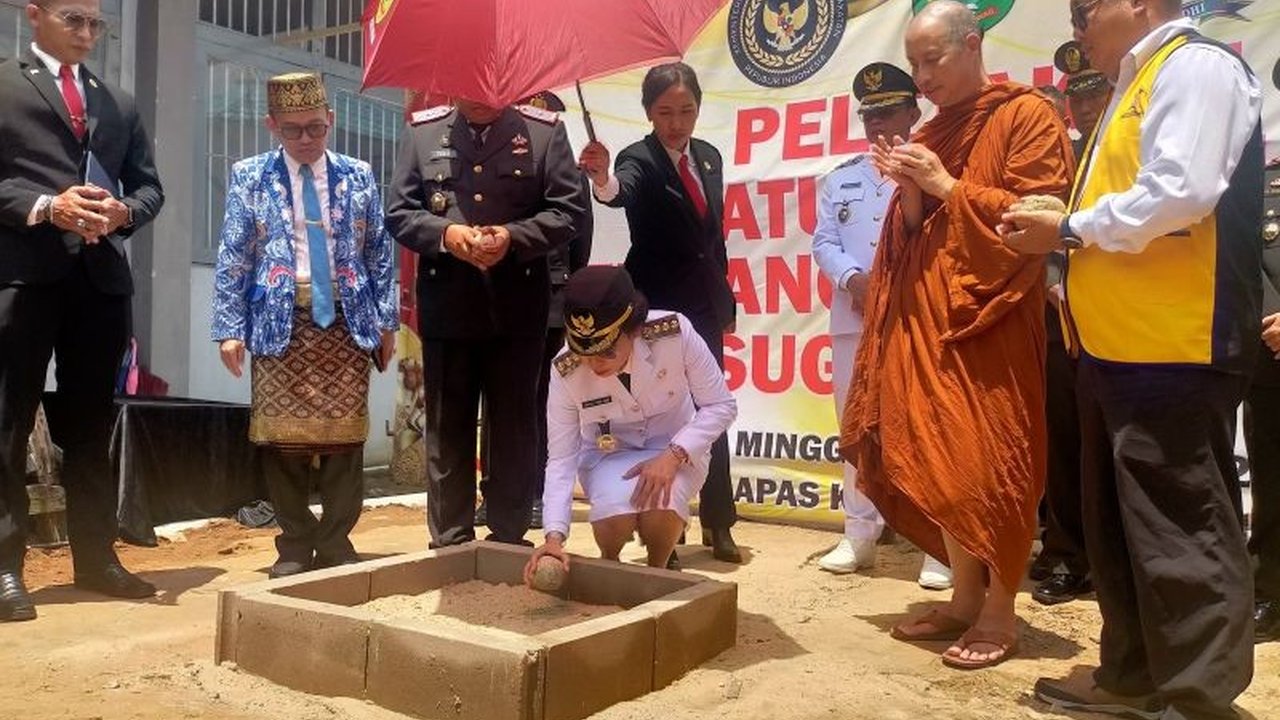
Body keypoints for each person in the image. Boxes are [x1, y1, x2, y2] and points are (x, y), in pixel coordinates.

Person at [1002, 0, 1263, 715]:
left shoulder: (1196, 67)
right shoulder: (1134, 83)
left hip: (1174, 346)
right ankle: (1133, 676)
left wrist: (1068, 227)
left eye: (1084, 11)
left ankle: (1198, 699)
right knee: (1121, 528)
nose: (1076, 29)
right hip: (1114, 346)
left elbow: (1181, 193)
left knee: (1182, 526)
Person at [840, 1, 1072, 669]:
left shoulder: (1027, 116)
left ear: (973, 45)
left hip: (991, 317)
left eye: (931, 60)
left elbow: (1036, 219)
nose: (922, 78)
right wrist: (912, 192)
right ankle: (965, 597)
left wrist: (945, 184)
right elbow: (915, 238)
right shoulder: (934, 131)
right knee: (939, 464)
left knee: (990, 465)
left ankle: (1001, 609)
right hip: (929, 322)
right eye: (914, 64)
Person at [0, 0, 165, 621]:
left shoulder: (117, 102)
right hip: (23, 277)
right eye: (74, 19)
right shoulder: (4, 85)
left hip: (99, 284)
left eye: (97, 23)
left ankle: (97, 558)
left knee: (91, 428)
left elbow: (149, 187)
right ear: (34, 14)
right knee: (8, 422)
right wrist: (47, 206)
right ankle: (5, 567)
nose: (88, 33)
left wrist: (126, 212)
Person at [211, 72, 397, 579]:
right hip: (278, 322)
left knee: (345, 442)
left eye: (316, 127)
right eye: (293, 130)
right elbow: (233, 254)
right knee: (282, 442)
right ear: (272, 125)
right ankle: (294, 544)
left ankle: (335, 543)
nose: (306, 139)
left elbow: (380, 253)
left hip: (346, 321)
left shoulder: (358, 174)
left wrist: (387, 323)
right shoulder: (250, 175)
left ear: (330, 120)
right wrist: (229, 328)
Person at [386, 96, 585, 548]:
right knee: (447, 426)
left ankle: (508, 533)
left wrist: (513, 237)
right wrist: (446, 234)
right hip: (448, 305)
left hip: (517, 306)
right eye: (467, 90)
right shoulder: (422, 132)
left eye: (488, 91)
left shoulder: (544, 133)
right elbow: (399, 212)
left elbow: (569, 211)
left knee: (514, 425)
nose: (478, 100)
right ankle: (450, 536)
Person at [577, 62, 742, 565]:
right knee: (657, 414)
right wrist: (602, 178)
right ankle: (662, 524)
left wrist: (725, 302)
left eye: (686, 111)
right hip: (656, 308)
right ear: (649, 112)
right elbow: (619, 191)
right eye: (666, 112)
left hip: (705, 305)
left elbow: (712, 240)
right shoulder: (639, 158)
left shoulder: (709, 157)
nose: (677, 123)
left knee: (710, 410)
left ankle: (718, 520)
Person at [811, 61, 951, 590]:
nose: (878, 123)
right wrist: (854, 280)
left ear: (914, 112)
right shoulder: (840, 177)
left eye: (889, 111)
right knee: (856, 427)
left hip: (916, 316)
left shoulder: (931, 169)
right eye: (869, 114)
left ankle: (938, 545)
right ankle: (859, 534)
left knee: (925, 425)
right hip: (855, 318)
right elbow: (824, 241)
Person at [523, 266, 736, 578]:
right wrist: (554, 536)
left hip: (674, 447)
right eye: (585, 352)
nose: (594, 363)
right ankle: (611, 565)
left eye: (607, 351)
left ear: (634, 330)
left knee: (662, 504)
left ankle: (657, 571)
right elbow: (562, 458)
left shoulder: (674, 333)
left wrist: (673, 455)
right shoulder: (565, 369)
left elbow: (721, 405)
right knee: (614, 514)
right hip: (609, 455)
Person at [475, 91, 594, 532]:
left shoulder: (569, 173)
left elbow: (580, 244)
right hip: (500, 297)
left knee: (542, 404)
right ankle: (494, 492)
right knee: (497, 403)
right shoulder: (493, 167)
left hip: (551, 302)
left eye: (541, 115)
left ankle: (537, 493)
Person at [1027, 40, 1105, 606]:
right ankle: (1065, 554)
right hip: (1059, 317)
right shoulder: (1061, 156)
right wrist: (1052, 279)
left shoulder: (1134, 147)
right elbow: (1041, 227)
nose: (1085, 106)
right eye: (1077, 97)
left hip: (1121, 315)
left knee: (1114, 444)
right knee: (1063, 441)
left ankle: (1110, 560)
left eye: (1095, 92)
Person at [1249, 154, 1280, 644]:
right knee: (1272, 477)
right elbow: (1243, 253)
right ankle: (1270, 590)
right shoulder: (1265, 182)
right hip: (1270, 347)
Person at [1056, 40, 1111, 158]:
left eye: (1093, 96)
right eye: (1077, 100)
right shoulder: (1066, 159)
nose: (1084, 109)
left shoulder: (1140, 145)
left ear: (1114, 93)